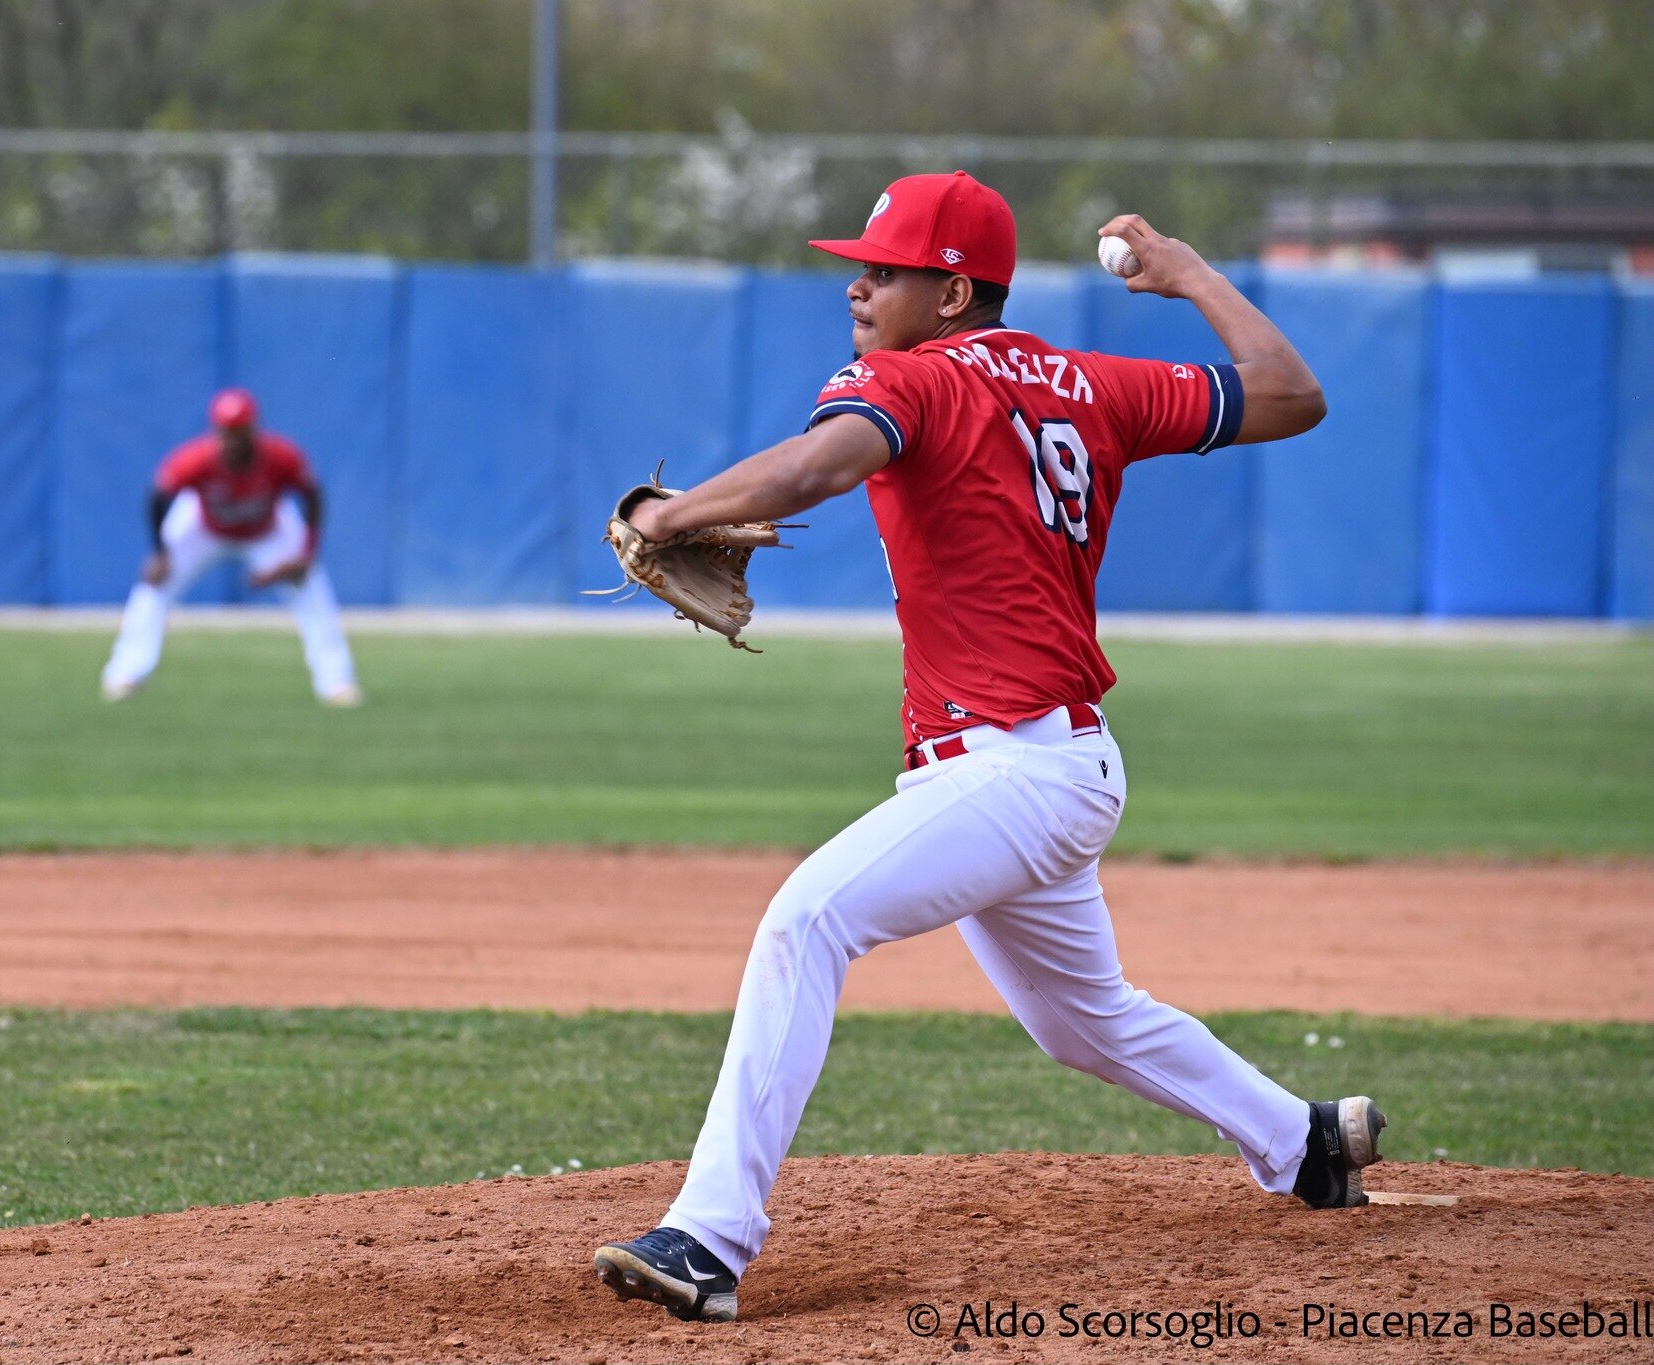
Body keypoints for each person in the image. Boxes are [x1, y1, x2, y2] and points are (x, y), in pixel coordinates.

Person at [590, 171, 1383, 1326]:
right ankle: (1302, 1141)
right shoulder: (1090, 384)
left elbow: (821, 464)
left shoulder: (902, 379)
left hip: (1015, 767)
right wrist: (1189, 273)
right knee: (1082, 1019)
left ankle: (709, 1240)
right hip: (1050, 766)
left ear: (952, 289)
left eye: (884, 269)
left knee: (806, 921)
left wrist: (668, 515)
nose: (857, 287)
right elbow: (1290, 393)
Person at [100, 388, 360, 706]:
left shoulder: (280, 456)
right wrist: (160, 552)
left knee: (310, 584)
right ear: (217, 431)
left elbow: (313, 494)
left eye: (241, 431)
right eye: (227, 432)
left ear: (254, 428)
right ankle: (125, 674)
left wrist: (307, 553)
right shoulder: (197, 459)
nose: (234, 439)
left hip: (269, 529)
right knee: (154, 583)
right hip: (202, 526)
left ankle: (336, 683)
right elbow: (157, 496)